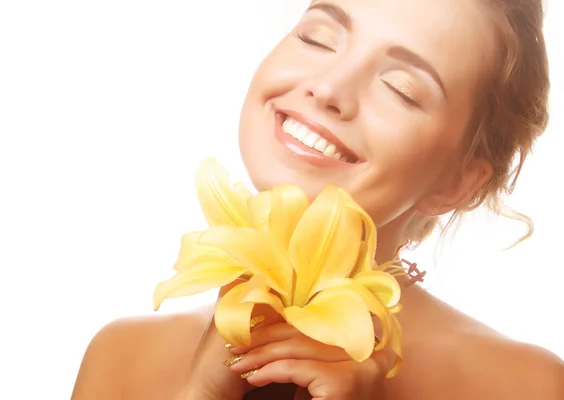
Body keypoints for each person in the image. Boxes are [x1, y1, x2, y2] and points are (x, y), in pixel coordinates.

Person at [71, 0, 564, 398]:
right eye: (318, 37)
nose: (328, 87)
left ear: (455, 182)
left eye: (401, 88)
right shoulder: (120, 356)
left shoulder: (527, 386)